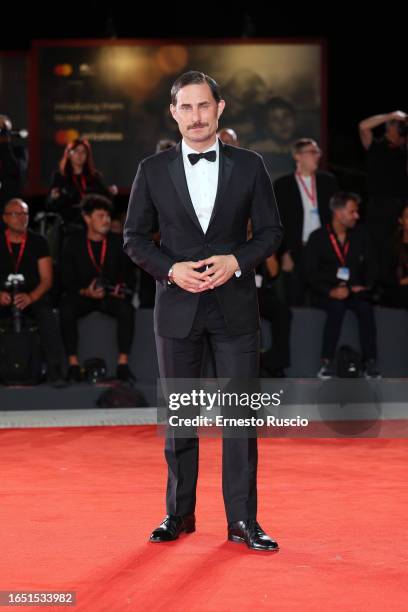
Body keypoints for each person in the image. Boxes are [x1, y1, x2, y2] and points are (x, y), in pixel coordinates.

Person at [124, 70, 283, 551]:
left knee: (240, 420)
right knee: (179, 419)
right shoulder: (151, 171)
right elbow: (133, 239)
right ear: (174, 113)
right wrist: (171, 271)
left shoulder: (251, 165)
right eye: (186, 107)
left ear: (220, 108)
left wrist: (238, 260)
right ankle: (179, 514)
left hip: (235, 308)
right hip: (177, 309)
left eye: (203, 106)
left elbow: (272, 232)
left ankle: (242, 521)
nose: (196, 116)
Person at [60, 195, 136, 383]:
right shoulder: (73, 242)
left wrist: (118, 289)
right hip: (83, 295)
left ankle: (123, 364)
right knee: (66, 309)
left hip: (109, 296)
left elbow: (129, 276)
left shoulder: (118, 242)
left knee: (127, 310)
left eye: (108, 216)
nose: (107, 220)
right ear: (87, 218)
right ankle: (73, 365)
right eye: (101, 216)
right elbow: (66, 278)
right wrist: (85, 291)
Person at [306, 192, 381, 379]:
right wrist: (330, 291)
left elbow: (372, 266)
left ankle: (370, 362)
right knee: (336, 307)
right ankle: (327, 362)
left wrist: (364, 286)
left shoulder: (360, 236)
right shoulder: (318, 238)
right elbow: (309, 273)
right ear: (338, 213)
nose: (357, 215)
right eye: (352, 211)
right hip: (326, 294)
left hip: (353, 292)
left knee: (365, 308)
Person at [0, 199, 64, 384]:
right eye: (16, 214)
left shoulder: (38, 241)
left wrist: (31, 297)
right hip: (3, 295)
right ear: (5, 218)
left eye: (25, 214)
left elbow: (47, 279)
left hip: (31, 296)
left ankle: (55, 373)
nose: (21, 218)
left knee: (47, 316)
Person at [274, 138, 338, 305]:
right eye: (312, 152)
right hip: (297, 248)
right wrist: (285, 251)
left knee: (324, 299)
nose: (317, 156)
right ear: (297, 156)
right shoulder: (283, 185)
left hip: (323, 248)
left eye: (318, 152)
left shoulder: (328, 181)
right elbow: (277, 221)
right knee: (295, 298)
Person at [359, 110, 408, 248]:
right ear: (391, 127)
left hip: (402, 208)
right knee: (379, 250)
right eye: (401, 127)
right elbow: (363, 126)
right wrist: (392, 116)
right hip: (380, 209)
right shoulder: (376, 146)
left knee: (398, 251)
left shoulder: (403, 151)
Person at [46, 138, 117, 227]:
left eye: (83, 152)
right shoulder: (60, 177)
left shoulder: (94, 177)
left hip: (91, 220)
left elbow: (104, 200)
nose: (80, 155)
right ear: (68, 154)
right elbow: (49, 205)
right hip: (69, 221)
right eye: (76, 151)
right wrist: (53, 198)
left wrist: (110, 192)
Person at [381, 202, 408, 308]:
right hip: (398, 293)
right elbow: (384, 277)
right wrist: (403, 281)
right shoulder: (391, 246)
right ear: (401, 221)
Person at [0, 115, 28, 215]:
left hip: (10, 208)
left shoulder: (19, 151)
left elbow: (15, 171)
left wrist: (5, 144)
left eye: (4, 129)